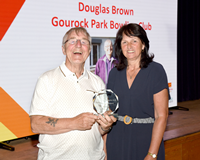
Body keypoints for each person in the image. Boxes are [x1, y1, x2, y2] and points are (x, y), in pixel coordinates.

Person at [29, 27, 116, 160]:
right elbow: (35, 124)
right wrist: (74, 122)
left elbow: (99, 131)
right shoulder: (47, 79)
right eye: (72, 41)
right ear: (63, 49)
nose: (79, 45)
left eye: (84, 41)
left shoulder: (98, 83)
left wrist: (106, 125)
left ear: (89, 50)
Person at [106, 23, 169, 160]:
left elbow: (161, 116)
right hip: (116, 141)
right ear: (120, 47)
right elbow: (109, 113)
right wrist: (105, 150)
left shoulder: (156, 71)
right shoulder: (113, 74)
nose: (129, 46)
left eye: (134, 41)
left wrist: (152, 154)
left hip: (145, 141)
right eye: (125, 42)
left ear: (143, 45)